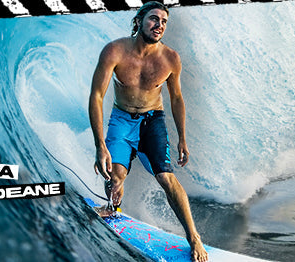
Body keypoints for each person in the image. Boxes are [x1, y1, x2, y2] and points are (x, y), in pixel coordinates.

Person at [88, 2, 208, 261]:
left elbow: (176, 98)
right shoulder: (115, 51)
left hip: (153, 121)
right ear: (139, 20)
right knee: (115, 176)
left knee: (166, 178)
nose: (159, 25)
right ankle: (113, 206)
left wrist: (182, 139)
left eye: (164, 22)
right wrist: (100, 145)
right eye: (154, 19)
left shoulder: (170, 59)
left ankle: (194, 237)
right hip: (122, 118)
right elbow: (97, 96)